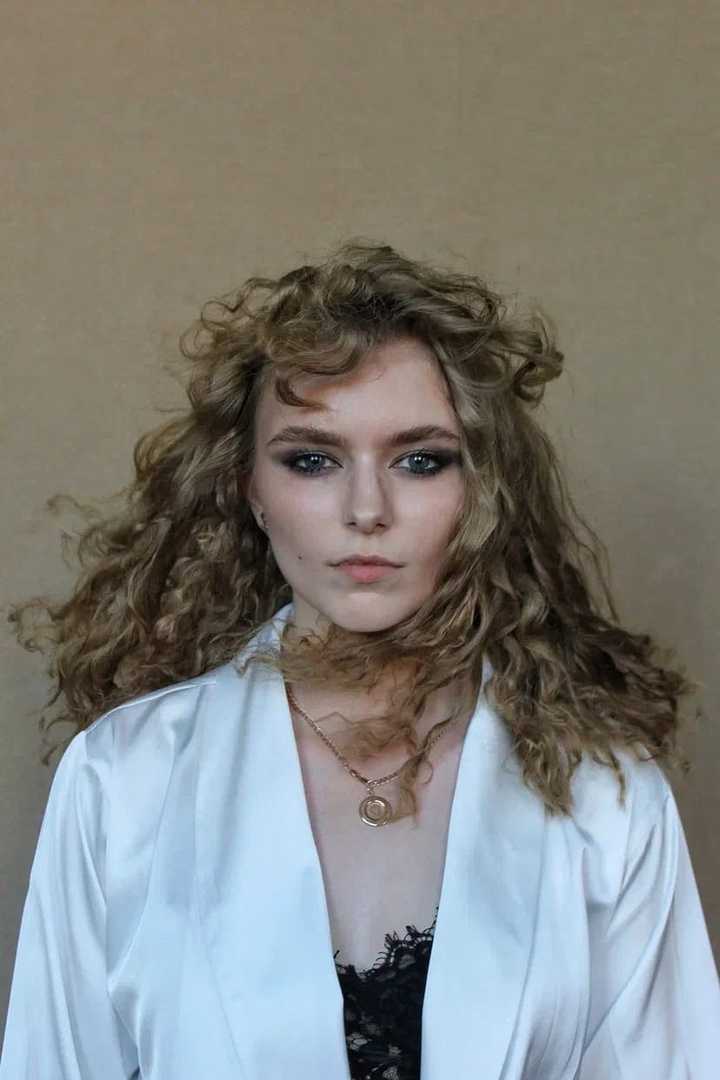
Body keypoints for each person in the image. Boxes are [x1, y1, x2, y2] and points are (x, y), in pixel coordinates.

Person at [1, 238, 719, 1079]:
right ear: (250, 489)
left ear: (482, 490)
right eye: (312, 460)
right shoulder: (122, 779)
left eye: (420, 461)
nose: (366, 508)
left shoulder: (604, 790)